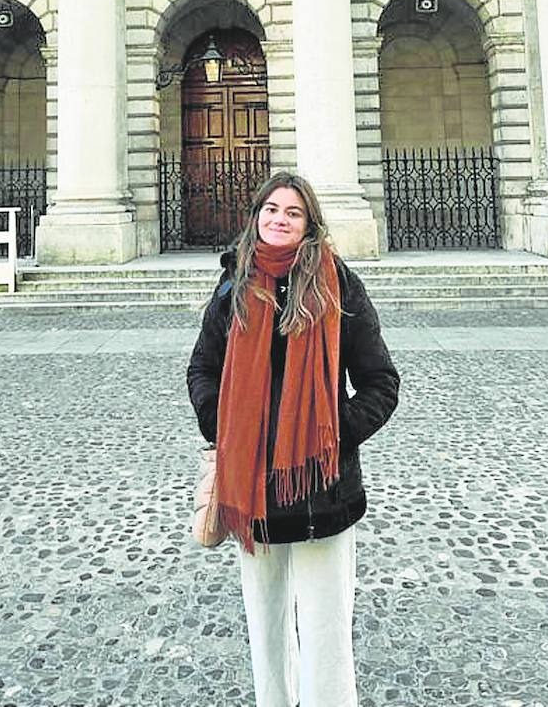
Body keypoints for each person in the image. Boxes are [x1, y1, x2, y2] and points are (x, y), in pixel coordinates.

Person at [187, 171, 400, 707]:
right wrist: (227, 426)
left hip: (321, 489)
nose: (280, 219)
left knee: (327, 630)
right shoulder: (235, 284)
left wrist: (332, 438)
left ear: (309, 225)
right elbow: (202, 368)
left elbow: (381, 383)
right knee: (266, 625)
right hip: (252, 483)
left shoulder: (337, 284)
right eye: (272, 209)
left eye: (293, 212)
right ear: (257, 215)